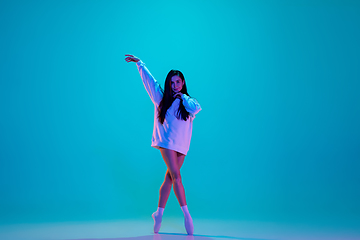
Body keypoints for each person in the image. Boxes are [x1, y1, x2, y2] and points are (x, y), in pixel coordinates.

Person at [125, 54, 201, 235]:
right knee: (176, 176)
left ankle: (158, 214)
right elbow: (150, 82)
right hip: (166, 143)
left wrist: (182, 97)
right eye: (172, 83)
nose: (174, 86)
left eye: (178, 82)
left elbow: (196, 108)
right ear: (168, 85)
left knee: (169, 178)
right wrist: (140, 64)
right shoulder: (161, 99)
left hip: (182, 147)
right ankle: (187, 215)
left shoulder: (188, 103)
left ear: (182, 83)